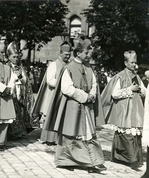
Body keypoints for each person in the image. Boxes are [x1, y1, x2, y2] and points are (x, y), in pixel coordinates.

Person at [44, 39, 106, 173]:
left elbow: (94, 83)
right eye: (86, 52)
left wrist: (92, 95)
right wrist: (84, 96)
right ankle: (67, 161)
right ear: (78, 53)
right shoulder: (68, 68)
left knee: (87, 133)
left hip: (87, 107)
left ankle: (90, 162)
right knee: (71, 133)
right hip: (72, 106)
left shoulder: (89, 67)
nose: (89, 54)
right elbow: (66, 88)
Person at [101, 50, 146, 170]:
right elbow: (115, 94)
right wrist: (130, 89)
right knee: (126, 134)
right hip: (124, 110)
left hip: (135, 110)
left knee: (135, 134)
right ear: (125, 63)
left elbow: (144, 91)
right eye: (132, 62)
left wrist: (141, 90)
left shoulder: (136, 76)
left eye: (135, 62)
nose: (134, 65)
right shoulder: (120, 76)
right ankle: (125, 158)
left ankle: (134, 159)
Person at [31, 41, 72, 146]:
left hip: (64, 95)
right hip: (53, 94)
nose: (68, 57)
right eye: (66, 55)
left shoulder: (69, 65)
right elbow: (49, 80)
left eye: (69, 54)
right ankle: (49, 139)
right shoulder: (54, 64)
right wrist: (63, 84)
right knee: (51, 116)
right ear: (60, 53)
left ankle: (59, 139)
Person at [6, 41, 32, 139]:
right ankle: (10, 132)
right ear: (9, 57)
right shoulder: (6, 67)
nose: (16, 59)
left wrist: (21, 78)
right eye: (14, 57)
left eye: (17, 57)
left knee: (20, 111)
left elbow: (26, 80)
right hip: (12, 90)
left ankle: (19, 132)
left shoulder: (21, 67)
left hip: (20, 91)